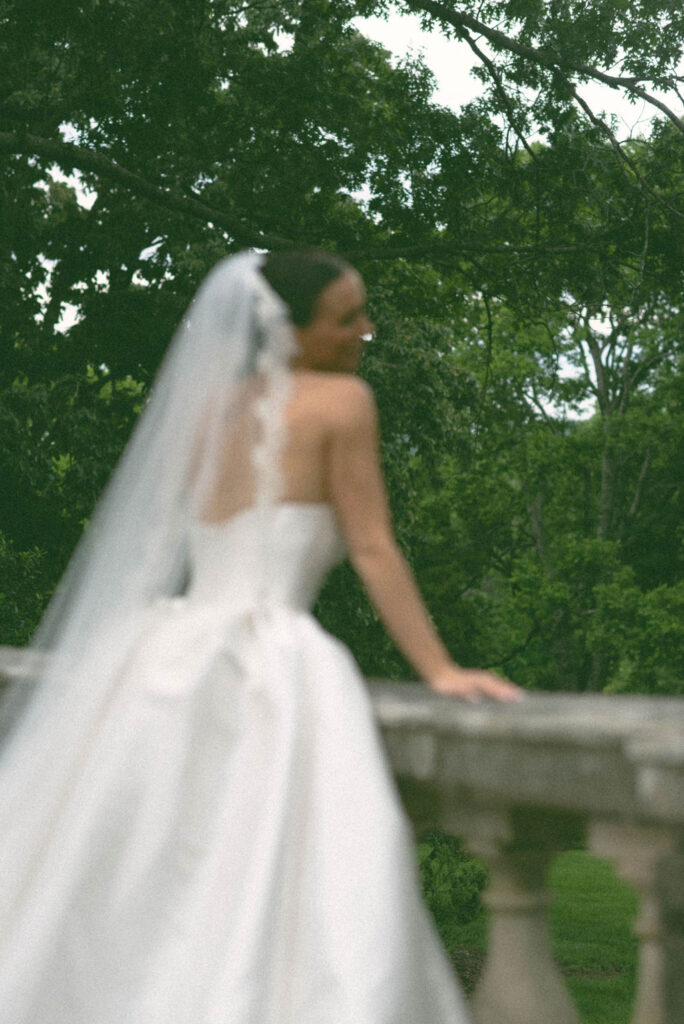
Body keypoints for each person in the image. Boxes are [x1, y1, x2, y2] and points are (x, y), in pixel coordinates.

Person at [0, 249, 520, 1024]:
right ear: (292, 328)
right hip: (272, 657)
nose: (365, 332)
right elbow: (373, 545)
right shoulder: (344, 403)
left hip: (161, 656)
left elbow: (160, 540)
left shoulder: (205, 408)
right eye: (348, 319)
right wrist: (438, 668)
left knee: (154, 882)